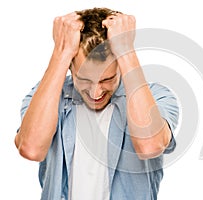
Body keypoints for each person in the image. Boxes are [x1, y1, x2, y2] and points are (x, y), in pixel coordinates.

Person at [15, 7, 179, 200]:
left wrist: (126, 51)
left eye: (106, 79)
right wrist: (61, 53)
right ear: (69, 68)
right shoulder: (47, 96)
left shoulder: (157, 96)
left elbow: (149, 145)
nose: (96, 92)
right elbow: (31, 149)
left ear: (120, 65)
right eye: (84, 79)